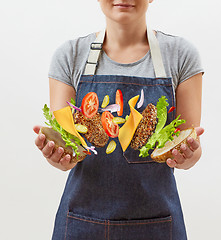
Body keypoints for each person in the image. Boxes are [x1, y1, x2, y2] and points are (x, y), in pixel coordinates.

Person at [33, 0, 204, 239]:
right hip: (81, 224)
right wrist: (59, 158)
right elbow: (68, 154)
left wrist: (188, 154)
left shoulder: (180, 55)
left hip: (157, 226)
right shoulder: (69, 56)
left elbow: (188, 148)